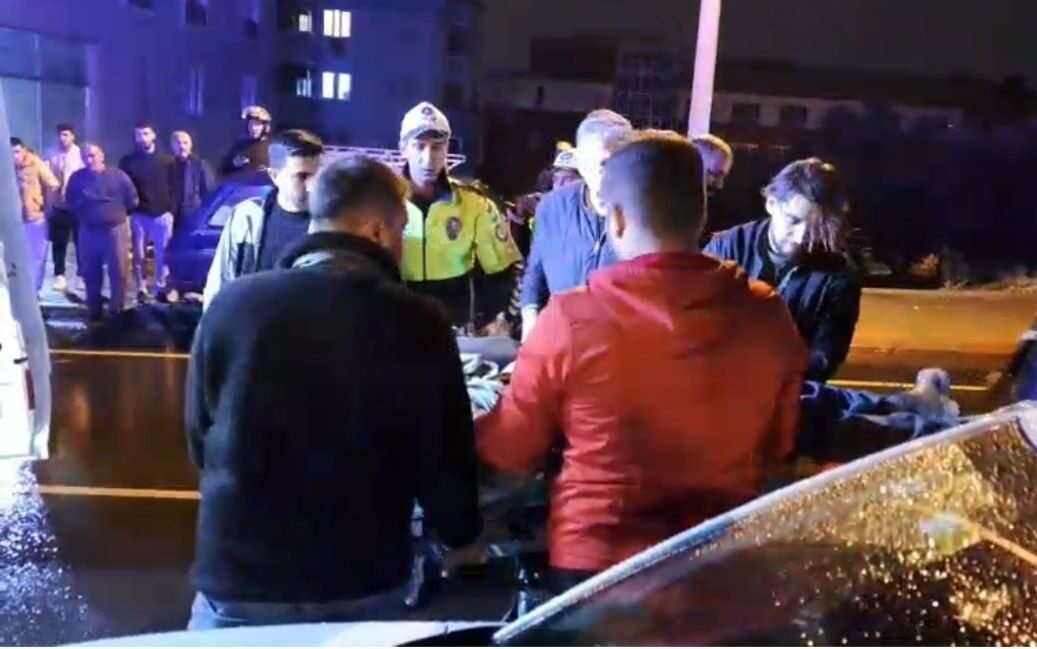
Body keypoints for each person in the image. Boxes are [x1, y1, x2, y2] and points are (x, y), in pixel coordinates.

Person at [477, 131, 806, 590]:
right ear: (701, 214)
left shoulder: (572, 317)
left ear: (615, 219)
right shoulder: (766, 313)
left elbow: (510, 451)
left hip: (596, 568)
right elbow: (778, 446)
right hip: (716, 561)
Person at [186, 155, 481, 630]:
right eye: (402, 231)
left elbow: (200, 438)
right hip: (359, 581)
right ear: (377, 232)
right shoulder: (417, 322)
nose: (402, 245)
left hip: (238, 577)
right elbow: (444, 457)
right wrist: (461, 533)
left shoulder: (233, 305)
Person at [705, 158, 862, 383]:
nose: (801, 237)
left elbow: (825, 357)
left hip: (789, 391)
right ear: (771, 204)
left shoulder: (840, 274)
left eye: (816, 226)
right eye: (793, 220)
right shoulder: (725, 248)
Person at [397, 101, 522, 330]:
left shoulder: (475, 204)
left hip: (455, 328)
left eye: (437, 147)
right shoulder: (383, 200)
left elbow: (505, 269)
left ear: (447, 149)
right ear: (403, 148)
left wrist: (491, 320)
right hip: (396, 324)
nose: (428, 157)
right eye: (419, 146)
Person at [519, 109, 634, 341]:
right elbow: (535, 274)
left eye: (616, 166)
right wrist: (529, 321)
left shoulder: (645, 213)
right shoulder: (552, 208)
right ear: (580, 162)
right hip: (560, 343)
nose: (607, 177)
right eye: (600, 166)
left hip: (622, 347)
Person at [202, 129, 323, 310]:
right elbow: (219, 285)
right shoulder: (247, 218)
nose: (313, 185)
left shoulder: (329, 224)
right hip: (248, 325)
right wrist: (213, 325)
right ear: (275, 176)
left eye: (319, 176)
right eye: (302, 177)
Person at [65, 143, 138, 324]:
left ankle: (117, 308)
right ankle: (94, 310)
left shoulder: (118, 176)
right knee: (90, 271)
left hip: (115, 230)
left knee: (118, 271)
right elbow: (70, 201)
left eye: (92, 155)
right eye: (85, 156)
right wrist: (85, 215)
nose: (89, 160)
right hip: (89, 230)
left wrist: (115, 214)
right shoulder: (77, 178)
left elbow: (132, 200)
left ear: (102, 156)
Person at [119, 121, 177, 304]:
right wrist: (129, 210)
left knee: (163, 255)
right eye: (139, 134)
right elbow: (123, 188)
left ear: (153, 135)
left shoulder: (167, 161)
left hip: (163, 214)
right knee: (139, 256)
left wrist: (171, 210)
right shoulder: (128, 162)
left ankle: (160, 288)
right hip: (139, 214)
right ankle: (141, 289)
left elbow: (175, 187)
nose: (142, 138)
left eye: (146, 134)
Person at [11, 138, 60, 293]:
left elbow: (53, 184)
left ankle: (34, 292)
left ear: (24, 150)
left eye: (17, 151)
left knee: (36, 258)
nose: (14, 156)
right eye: (11, 152)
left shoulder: (35, 163)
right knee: (12, 258)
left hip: (35, 218)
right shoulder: (5, 167)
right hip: (12, 221)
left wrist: (46, 207)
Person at [47, 123, 85, 293]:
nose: (63, 138)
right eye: (61, 135)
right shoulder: (51, 154)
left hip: (77, 206)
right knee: (59, 242)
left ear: (73, 136)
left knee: (81, 242)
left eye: (66, 135)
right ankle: (60, 275)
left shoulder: (80, 154)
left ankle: (81, 275)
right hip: (59, 205)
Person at [170, 131, 214, 228]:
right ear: (173, 145)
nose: (182, 147)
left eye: (185, 143)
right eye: (178, 143)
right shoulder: (168, 165)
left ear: (191, 145)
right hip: (172, 216)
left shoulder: (200, 165)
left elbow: (208, 191)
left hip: (194, 214)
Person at [220, 105, 272, 177]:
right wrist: (235, 164)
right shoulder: (240, 145)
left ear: (265, 127)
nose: (253, 128)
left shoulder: (272, 147)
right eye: (251, 124)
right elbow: (224, 169)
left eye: (257, 124)